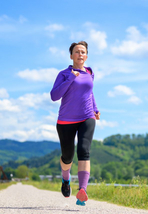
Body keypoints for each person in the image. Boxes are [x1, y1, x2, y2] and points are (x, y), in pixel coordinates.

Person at [50, 41, 100, 206]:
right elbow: (54, 96)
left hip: (87, 116)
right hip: (66, 120)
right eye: (77, 52)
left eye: (83, 52)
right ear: (71, 56)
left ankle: (82, 191)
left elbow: (89, 93)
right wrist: (71, 78)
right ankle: (66, 180)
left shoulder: (90, 72)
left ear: (86, 55)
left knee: (84, 151)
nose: (80, 54)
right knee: (67, 156)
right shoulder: (64, 73)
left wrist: (95, 108)